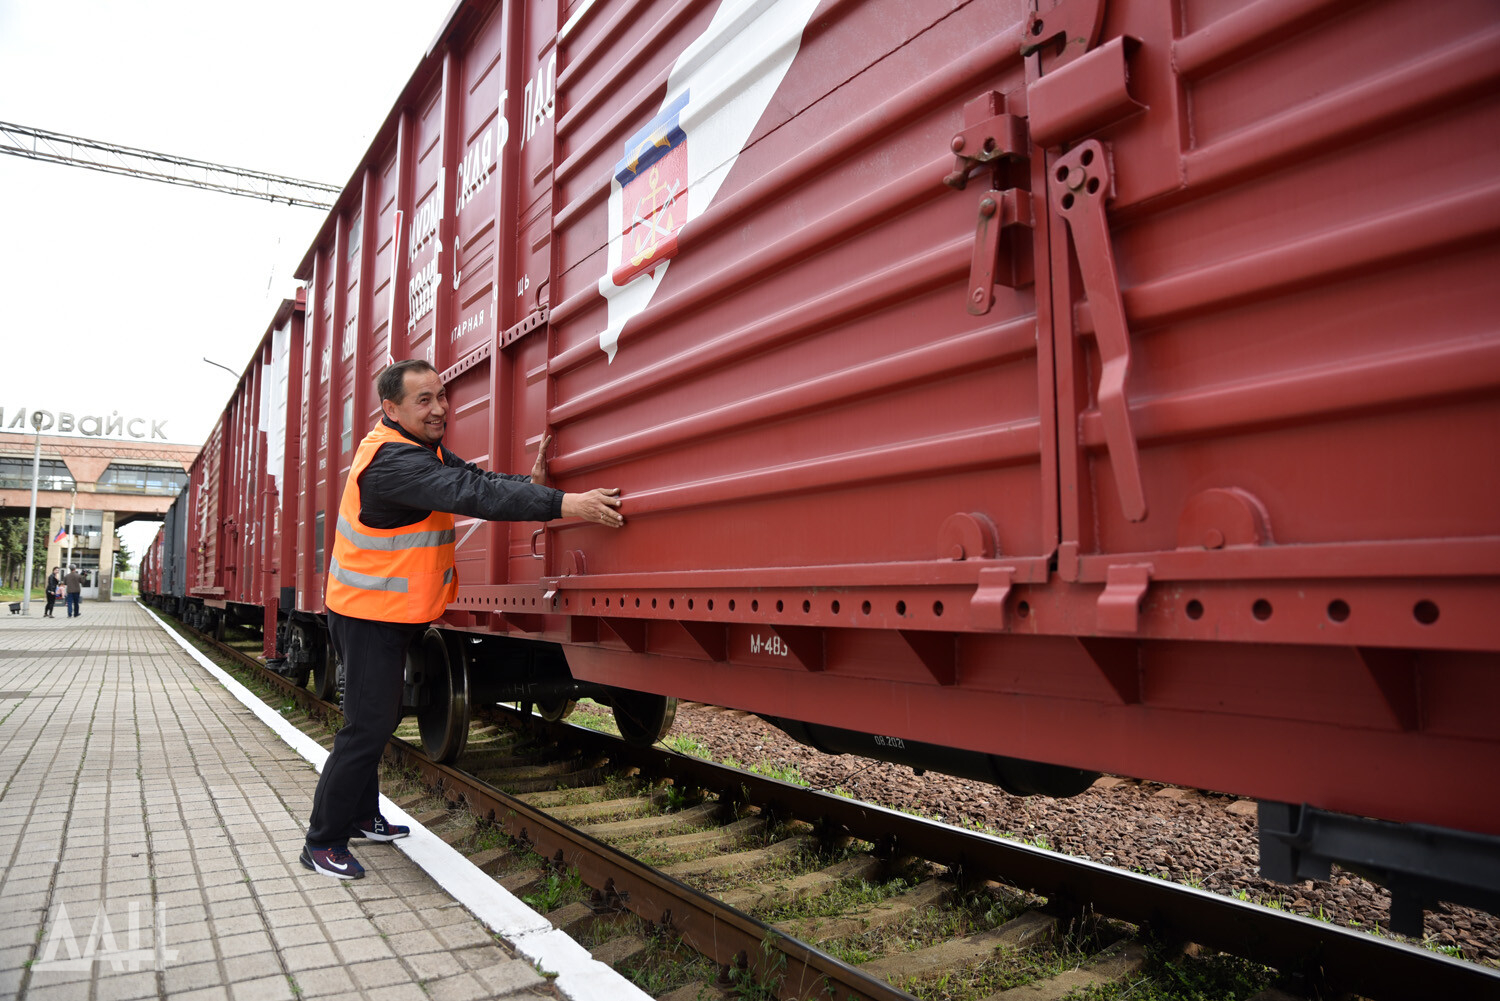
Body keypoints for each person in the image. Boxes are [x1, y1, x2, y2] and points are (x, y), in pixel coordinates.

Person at [300, 359, 625, 880]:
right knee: (366, 728)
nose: (439, 408)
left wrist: (532, 485)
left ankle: (362, 816)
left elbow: (473, 478)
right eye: (423, 400)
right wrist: (566, 504)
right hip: (366, 616)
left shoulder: (418, 448)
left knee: (373, 722)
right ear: (391, 408)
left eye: (440, 395)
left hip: (389, 611)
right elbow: (474, 496)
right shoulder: (393, 463)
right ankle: (322, 841)